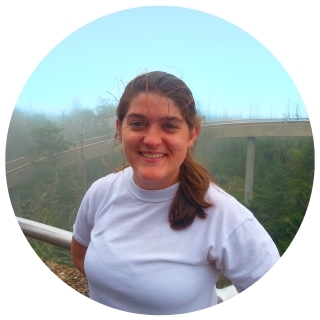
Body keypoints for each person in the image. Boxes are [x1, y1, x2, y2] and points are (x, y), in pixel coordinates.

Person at [71, 71, 280, 315]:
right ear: (119, 129)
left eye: (170, 126)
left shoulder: (226, 216)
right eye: (137, 123)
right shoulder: (101, 192)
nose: (151, 139)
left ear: (192, 135)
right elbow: (80, 255)